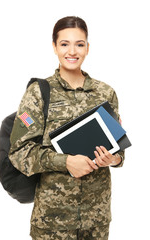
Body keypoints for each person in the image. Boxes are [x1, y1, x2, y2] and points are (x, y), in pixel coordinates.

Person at [9, 16, 125, 240]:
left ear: (88, 48)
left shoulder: (105, 93)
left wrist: (113, 159)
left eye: (79, 44)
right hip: (52, 223)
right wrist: (66, 162)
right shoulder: (39, 92)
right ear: (54, 47)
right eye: (64, 44)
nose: (72, 51)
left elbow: (119, 151)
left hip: (96, 221)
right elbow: (19, 152)